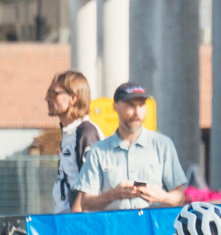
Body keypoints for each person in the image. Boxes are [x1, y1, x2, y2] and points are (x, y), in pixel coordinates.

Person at [74, 83, 192, 213]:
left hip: (153, 224)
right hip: (115, 225)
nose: (137, 112)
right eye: (130, 105)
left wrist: (161, 196)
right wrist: (113, 195)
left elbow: (180, 196)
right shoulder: (98, 151)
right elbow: (85, 202)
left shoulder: (163, 145)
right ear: (115, 107)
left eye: (141, 105)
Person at [46, 71, 102, 215]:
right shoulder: (69, 132)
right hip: (64, 218)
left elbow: (91, 183)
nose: (47, 98)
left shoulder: (86, 133)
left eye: (53, 94)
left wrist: (74, 217)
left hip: (79, 221)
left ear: (72, 98)